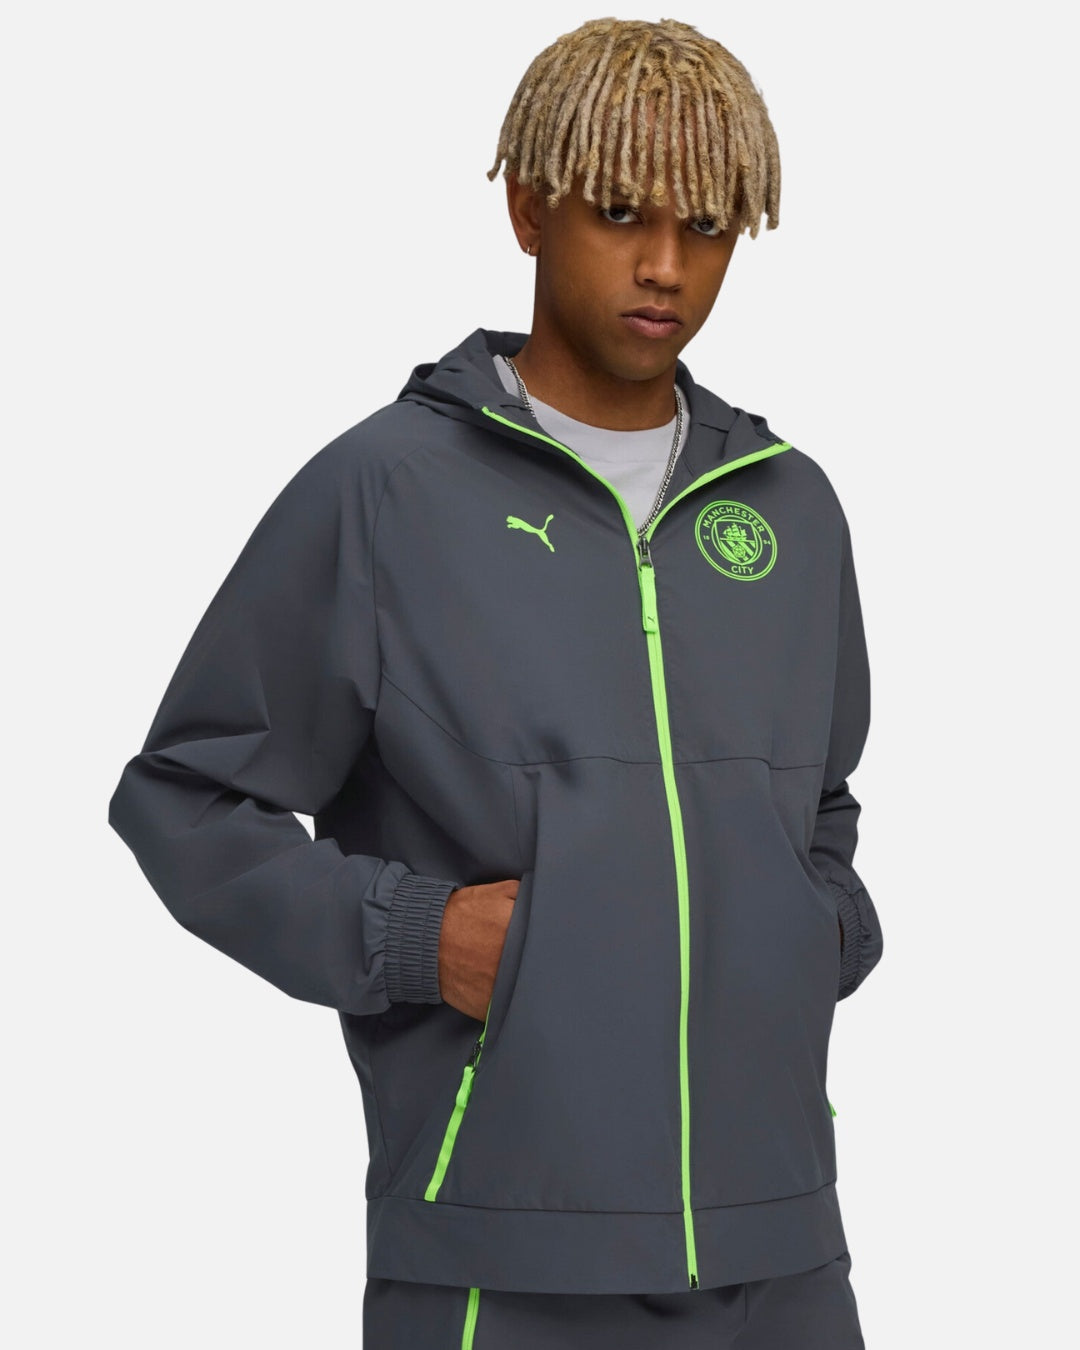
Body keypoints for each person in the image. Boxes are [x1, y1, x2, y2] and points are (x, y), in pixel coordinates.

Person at [108, 16, 883, 1348]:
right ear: (529, 208)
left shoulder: (788, 509)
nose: (665, 264)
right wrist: (416, 937)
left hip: (784, 1249)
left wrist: (813, 932)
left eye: (705, 226)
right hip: (504, 1256)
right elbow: (184, 797)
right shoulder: (388, 489)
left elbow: (817, 799)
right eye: (621, 212)